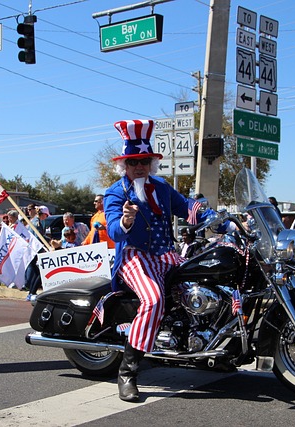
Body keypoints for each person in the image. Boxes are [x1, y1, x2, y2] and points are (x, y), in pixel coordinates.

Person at [104, 119, 212, 402]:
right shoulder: (116, 192)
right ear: (124, 166)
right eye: (133, 161)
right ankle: (128, 373)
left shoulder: (162, 187)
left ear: (152, 163)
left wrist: (213, 216)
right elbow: (114, 229)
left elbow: (186, 205)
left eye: (144, 161)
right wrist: (126, 220)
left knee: (206, 285)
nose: (139, 166)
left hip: (167, 256)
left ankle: (212, 349)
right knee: (153, 299)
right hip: (135, 257)